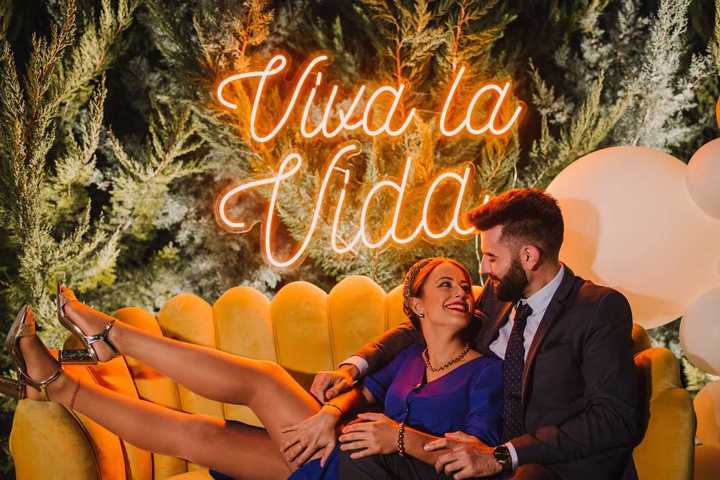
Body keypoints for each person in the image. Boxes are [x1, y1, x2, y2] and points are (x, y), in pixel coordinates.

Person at [0, 257, 504, 480]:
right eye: (445, 284)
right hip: (347, 455)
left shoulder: (486, 372)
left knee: (265, 380)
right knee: (199, 436)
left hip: (381, 472)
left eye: (464, 286)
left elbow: (475, 459)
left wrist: (399, 438)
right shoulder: (411, 356)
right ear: (415, 305)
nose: (460, 292)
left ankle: (112, 337)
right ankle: (61, 386)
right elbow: (364, 390)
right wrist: (330, 414)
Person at [312, 188, 644, 479]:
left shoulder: (597, 308)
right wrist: (355, 366)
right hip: (469, 453)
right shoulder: (499, 297)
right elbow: (420, 328)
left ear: (529, 256)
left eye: (491, 257)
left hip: (548, 467)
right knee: (357, 452)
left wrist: (504, 455)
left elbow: (615, 417)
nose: (483, 269)